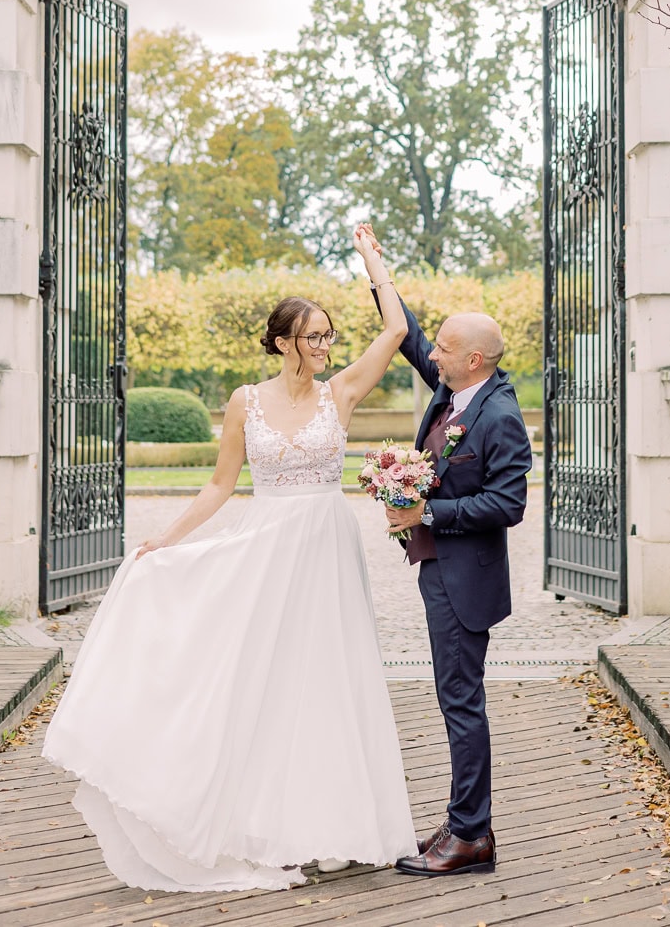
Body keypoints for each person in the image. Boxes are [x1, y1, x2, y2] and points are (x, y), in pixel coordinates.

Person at [43, 223, 417, 893]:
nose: (326, 345)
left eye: (330, 334)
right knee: (264, 683)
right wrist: (169, 539)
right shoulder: (246, 401)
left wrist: (373, 264)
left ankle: (333, 827)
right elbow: (220, 483)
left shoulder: (344, 393)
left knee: (330, 679)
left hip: (327, 548)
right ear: (281, 341)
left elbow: (393, 331)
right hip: (267, 546)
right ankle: (262, 825)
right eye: (314, 336)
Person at [367, 252, 533, 878]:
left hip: (466, 581)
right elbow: (407, 333)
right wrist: (377, 271)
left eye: (445, 348)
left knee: (461, 701)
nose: (431, 354)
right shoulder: (454, 389)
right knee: (453, 696)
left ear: (474, 360)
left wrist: (428, 516)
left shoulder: (499, 415)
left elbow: (508, 503)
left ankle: (471, 836)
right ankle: (466, 821)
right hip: (439, 571)